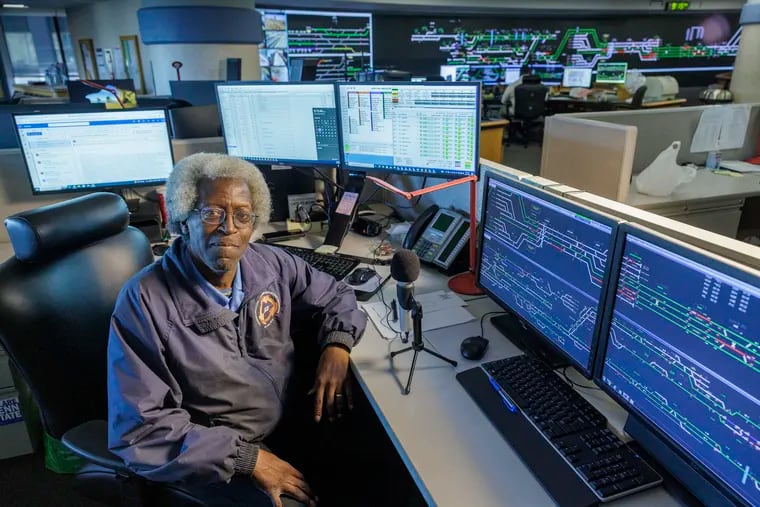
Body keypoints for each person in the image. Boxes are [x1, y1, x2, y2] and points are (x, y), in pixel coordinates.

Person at [107, 153, 367, 507]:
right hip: (216, 453)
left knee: (374, 456)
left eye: (242, 215)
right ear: (183, 222)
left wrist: (337, 345)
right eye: (212, 213)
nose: (229, 227)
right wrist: (247, 459)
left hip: (287, 417)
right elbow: (140, 429)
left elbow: (335, 293)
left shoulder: (269, 263)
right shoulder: (145, 301)